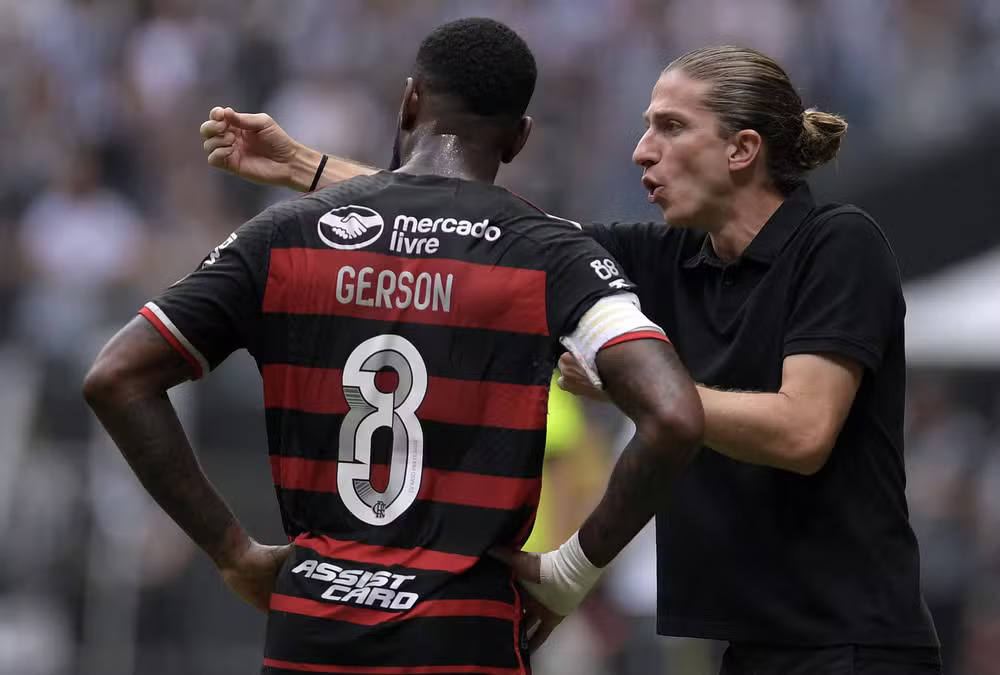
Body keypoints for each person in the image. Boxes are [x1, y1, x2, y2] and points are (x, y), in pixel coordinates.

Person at [198, 43, 943, 675]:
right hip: (751, 640)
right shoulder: (673, 257)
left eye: (670, 127)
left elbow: (802, 431)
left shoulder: (839, 244)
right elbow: (486, 230)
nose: (641, 149)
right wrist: (302, 165)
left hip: (855, 642)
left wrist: (638, 393)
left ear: (742, 150)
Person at [85, 18, 703, 675]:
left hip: (311, 632)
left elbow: (116, 377)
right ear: (519, 139)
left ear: (410, 100)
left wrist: (232, 550)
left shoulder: (284, 234)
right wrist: (570, 572)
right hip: (464, 634)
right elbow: (674, 414)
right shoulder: (550, 255)